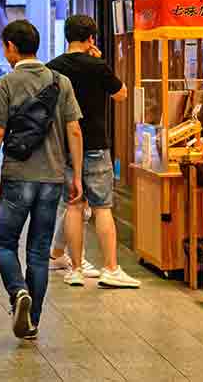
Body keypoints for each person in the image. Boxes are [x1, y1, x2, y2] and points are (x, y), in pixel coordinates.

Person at [0, 20, 83, 340]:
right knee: (39, 253)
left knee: (4, 243)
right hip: (53, 178)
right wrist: (77, 175)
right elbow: (74, 130)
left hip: (17, 176)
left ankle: (18, 293)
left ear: (12, 47)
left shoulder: (6, 83)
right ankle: (32, 322)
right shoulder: (61, 82)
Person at [46, 15, 138, 288]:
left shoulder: (54, 68)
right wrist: (100, 62)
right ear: (91, 39)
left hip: (65, 146)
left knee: (73, 204)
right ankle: (110, 268)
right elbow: (121, 93)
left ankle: (75, 269)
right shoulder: (97, 66)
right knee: (102, 207)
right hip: (96, 144)